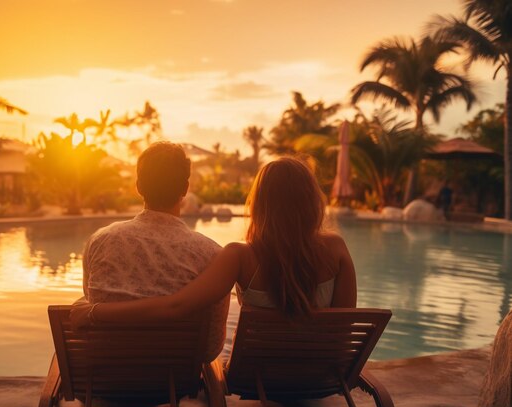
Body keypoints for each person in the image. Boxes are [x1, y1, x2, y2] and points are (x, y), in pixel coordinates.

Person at [71, 156, 356, 329]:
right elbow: (343, 329)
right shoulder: (337, 249)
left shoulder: (240, 257)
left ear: (260, 203)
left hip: (261, 379)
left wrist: (96, 312)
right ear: (311, 201)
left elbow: (175, 307)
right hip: (324, 378)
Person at [75, 141, 229, 361]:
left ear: (138, 186)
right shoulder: (212, 255)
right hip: (175, 380)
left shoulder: (99, 241)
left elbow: (91, 304)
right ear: (185, 189)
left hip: (108, 375)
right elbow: (211, 347)